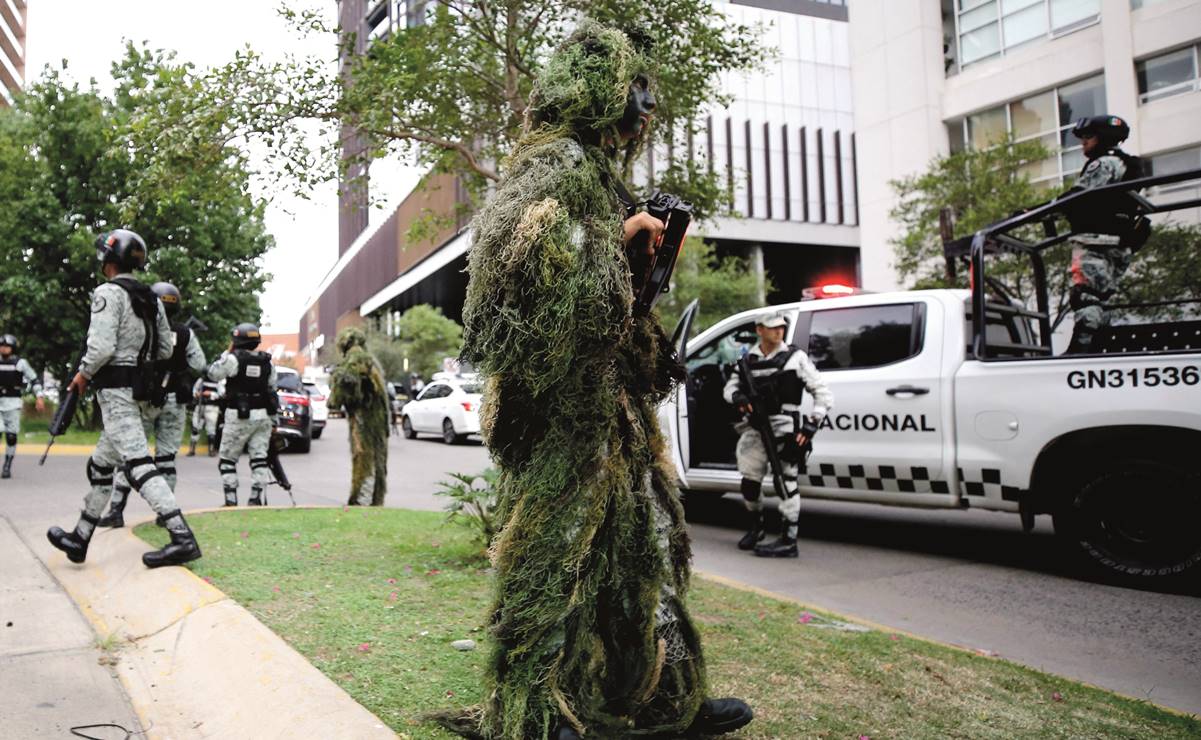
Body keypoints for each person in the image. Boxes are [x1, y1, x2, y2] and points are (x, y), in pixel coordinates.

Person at [453, 22, 751, 740]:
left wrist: (642, 252)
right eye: (637, 95)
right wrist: (618, 243)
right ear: (600, 94)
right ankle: (531, 715)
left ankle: (661, 695)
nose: (645, 114)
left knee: (644, 548)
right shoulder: (550, 169)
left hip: (612, 406)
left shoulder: (596, 173)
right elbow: (500, 314)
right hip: (562, 414)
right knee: (550, 563)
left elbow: (608, 295)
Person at [46, 229, 202, 568]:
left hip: (116, 394)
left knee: (137, 465)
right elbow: (164, 349)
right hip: (144, 393)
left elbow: (100, 348)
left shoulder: (108, 293)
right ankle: (80, 538)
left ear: (108, 260)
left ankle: (181, 537)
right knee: (101, 466)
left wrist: (83, 373)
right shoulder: (151, 298)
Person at [723, 311, 833, 558]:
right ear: (759, 329)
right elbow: (729, 389)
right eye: (772, 327)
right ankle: (757, 527)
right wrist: (739, 397)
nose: (778, 331)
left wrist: (811, 426)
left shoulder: (796, 358)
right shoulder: (747, 360)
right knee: (749, 482)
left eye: (781, 327)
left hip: (785, 427)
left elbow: (824, 394)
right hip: (755, 427)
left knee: (785, 482)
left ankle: (788, 539)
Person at [96, 282, 206, 528]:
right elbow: (199, 364)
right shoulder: (186, 334)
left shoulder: (143, 329)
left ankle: (116, 510)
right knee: (166, 458)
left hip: (143, 399)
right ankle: (164, 515)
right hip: (174, 402)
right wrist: (179, 366)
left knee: (132, 457)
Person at [1063, 114, 1146, 354]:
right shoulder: (1125, 164)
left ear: (1103, 138)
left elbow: (1080, 196)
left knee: (1086, 296)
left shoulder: (1104, 164)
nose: (1083, 143)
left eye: (1088, 137)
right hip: (1119, 242)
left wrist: (1039, 210)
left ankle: (1082, 350)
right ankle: (1099, 346)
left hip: (1096, 241)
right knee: (1101, 299)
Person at [206, 323, 276, 507]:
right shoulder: (267, 361)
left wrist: (225, 354)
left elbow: (213, 373)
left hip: (239, 415)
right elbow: (272, 388)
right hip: (263, 416)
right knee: (259, 458)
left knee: (227, 459)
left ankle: (231, 500)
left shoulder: (232, 359)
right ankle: (256, 498)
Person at [328, 327, 389, 505]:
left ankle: (361, 502)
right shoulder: (372, 361)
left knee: (363, 460)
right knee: (378, 461)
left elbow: (340, 392)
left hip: (363, 419)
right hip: (378, 421)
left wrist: (334, 398)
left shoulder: (353, 360)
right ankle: (376, 501)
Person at [0, 334, 45, 479]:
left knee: (11, 436)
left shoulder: (20, 363)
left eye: (6, 346)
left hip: (13, 403)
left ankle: (7, 465)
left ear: (12, 348)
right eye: (1, 345)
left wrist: (39, 396)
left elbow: (34, 379)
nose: (3, 348)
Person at [188, 373, 222, 456]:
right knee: (196, 427)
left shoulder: (219, 381)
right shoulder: (201, 380)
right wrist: (197, 394)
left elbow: (222, 393)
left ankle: (211, 449)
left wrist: (210, 394)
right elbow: (195, 390)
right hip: (200, 406)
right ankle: (192, 449)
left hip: (212, 407)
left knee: (211, 429)